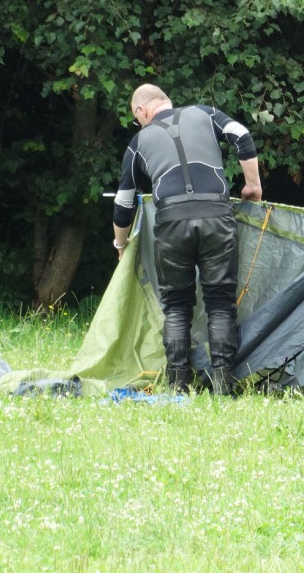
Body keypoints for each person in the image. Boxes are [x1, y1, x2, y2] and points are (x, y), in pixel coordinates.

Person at [111, 84, 262, 395]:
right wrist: (253, 186)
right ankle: (222, 384)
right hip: (217, 217)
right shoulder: (205, 114)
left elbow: (124, 202)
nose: (138, 124)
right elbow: (243, 136)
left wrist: (121, 245)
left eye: (136, 118)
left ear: (142, 111)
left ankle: (178, 385)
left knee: (177, 306)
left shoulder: (139, 141)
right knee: (220, 303)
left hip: (171, 225)